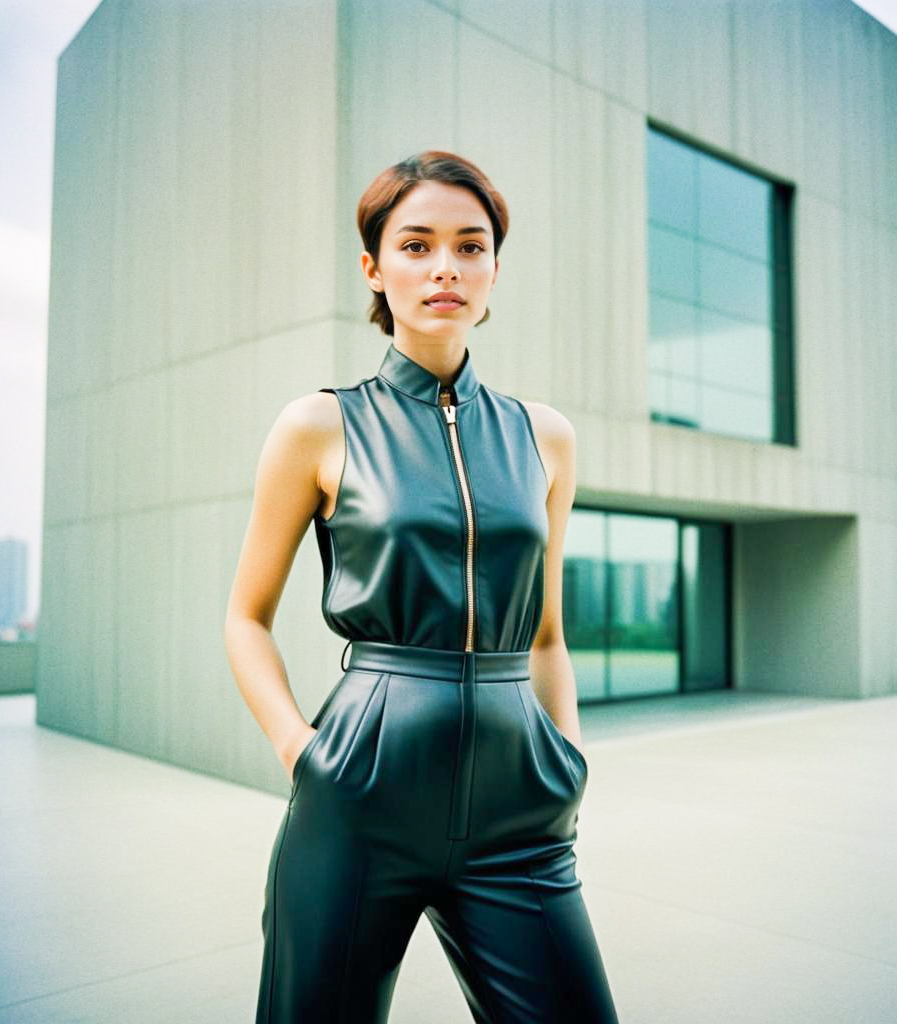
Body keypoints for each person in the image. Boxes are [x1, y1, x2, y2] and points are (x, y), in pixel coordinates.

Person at [224, 150, 620, 1023]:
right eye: (416, 244)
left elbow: (546, 633)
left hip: (521, 806)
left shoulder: (544, 437)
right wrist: (304, 756)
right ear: (374, 267)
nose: (445, 266)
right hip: (361, 792)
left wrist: (567, 758)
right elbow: (245, 620)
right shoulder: (319, 425)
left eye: (469, 246)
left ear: (493, 270)